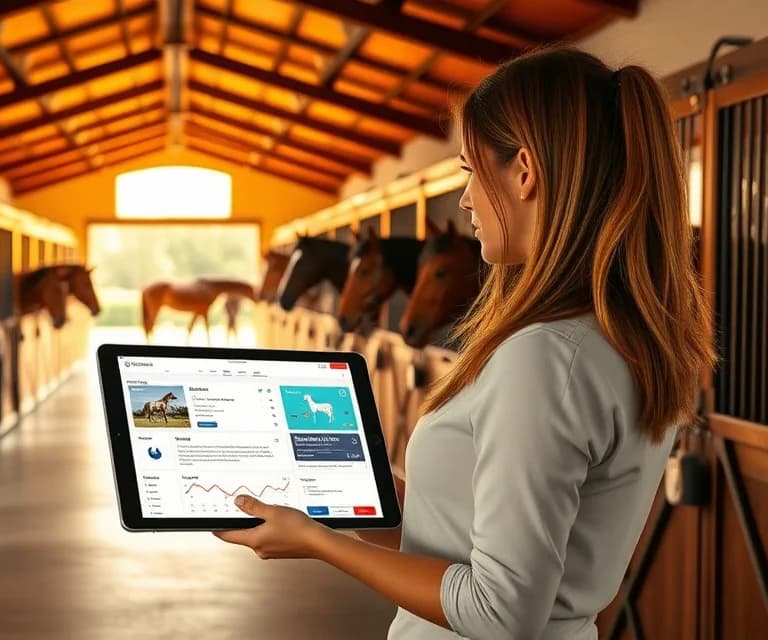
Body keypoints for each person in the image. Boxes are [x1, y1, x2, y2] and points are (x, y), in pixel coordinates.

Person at [213, 46, 717, 639]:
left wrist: (319, 543)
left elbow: (499, 612)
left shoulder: (545, 357)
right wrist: (371, 495)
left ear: (525, 171)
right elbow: (481, 543)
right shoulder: (610, 337)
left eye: (469, 172)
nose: (465, 199)